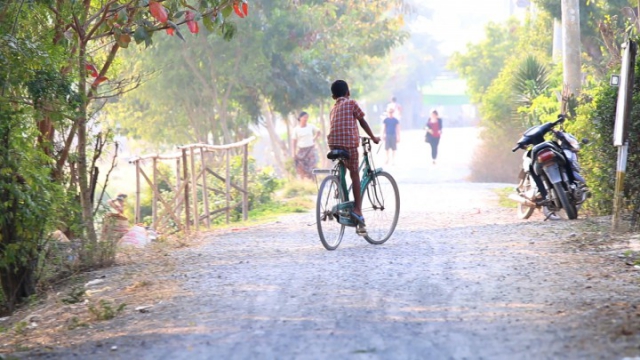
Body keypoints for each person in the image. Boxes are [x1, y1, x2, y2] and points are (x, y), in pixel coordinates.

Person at [328, 80, 380, 235]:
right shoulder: (352, 104)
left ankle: (342, 195)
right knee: (355, 174)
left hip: (333, 144)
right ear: (348, 93)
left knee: (344, 165)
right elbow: (362, 121)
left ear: (333, 97)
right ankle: (357, 209)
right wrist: (373, 137)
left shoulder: (333, 109)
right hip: (349, 145)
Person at [292, 111, 320, 180]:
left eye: (307, 117)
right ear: (300, 118)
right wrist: (294, 153)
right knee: (301, 167)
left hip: (310, 149)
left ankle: (313, 181)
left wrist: (314, 138)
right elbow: (294, 141)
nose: (306, 119)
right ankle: (303, 183)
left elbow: (318, 131)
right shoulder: (296, 129)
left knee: (311, 166)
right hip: (301, 150)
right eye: (304, 117)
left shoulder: (310, 126)